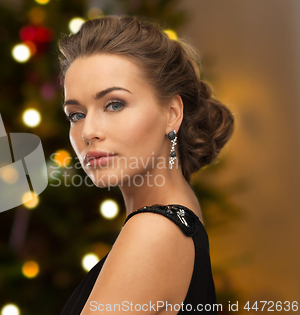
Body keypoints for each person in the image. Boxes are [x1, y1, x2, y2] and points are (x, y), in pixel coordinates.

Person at [57, 15, 235, 315]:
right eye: (76, 114)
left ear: (172, 113)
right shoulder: (180, 218)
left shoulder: (155, 230)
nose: (88, 132)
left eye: (114, 104)